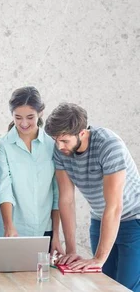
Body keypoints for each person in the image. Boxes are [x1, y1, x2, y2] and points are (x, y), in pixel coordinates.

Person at [46, 103, 140, 291]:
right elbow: (66, 200)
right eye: (55, 140)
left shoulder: (108, 145)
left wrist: (98, 259)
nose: (59, 146)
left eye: (64, 140)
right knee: (102, 285)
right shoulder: (61, 150)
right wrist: (72, 250)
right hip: (99, 219)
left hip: (133, 221)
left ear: (82, 133)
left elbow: (114, 206)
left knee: (125, 287)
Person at [0, 86, 64, 256]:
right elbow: (4, 188)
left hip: (44, 230)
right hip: (13, 231)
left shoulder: (52, 145)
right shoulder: (2, 146)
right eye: (18, 117)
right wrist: (9, 227)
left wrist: (56, 235)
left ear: (41, 113)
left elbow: (57, 193)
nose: (24, 123)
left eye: (30, 117)